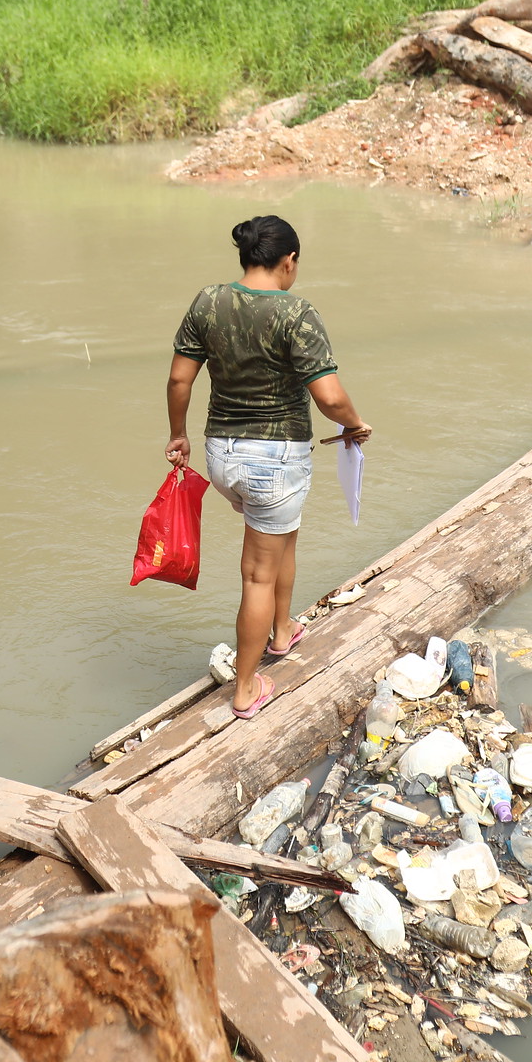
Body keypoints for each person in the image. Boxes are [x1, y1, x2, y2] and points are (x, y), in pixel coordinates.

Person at [165, 216, 371, 720]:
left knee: (283, 537)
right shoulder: (297, 313)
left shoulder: (208, 301)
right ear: (289, 261)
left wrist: (178, 434)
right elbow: (328, 395)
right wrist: (354, 424)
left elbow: (178, 380)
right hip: (275, 461)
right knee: (257, 574)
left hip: (222, 456)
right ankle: (246, 689)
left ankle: (283, 630)